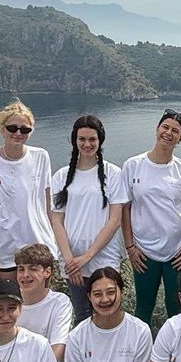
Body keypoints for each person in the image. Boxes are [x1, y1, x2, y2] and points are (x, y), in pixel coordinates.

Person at [121, 109, 181, 329]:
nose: (168, 133)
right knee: (143, 307)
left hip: (178, 251)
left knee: (177, 307)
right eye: (165, 127)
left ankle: (176, 349)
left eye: (175, 131)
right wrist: (130, 247)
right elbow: (125, 208)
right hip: (144, 251)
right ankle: (141, 348)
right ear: (157, 129)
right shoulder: (133, 165)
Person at [50, 115, 128, 323]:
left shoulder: (113, 173)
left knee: (108, 314)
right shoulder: (61, 176)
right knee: (82, 316)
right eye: (82, 139)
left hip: (104, 258)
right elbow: (56, 221)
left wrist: (86, 257)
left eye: (92, 139)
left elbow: (115, 220)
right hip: (72, 262)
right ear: (74, 140)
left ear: (100, 140)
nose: (87, 144)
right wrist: (70, 260)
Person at [0, 100, 59, 279]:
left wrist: (55, 242)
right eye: (12, 128)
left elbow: (47, 202)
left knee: (38, 296)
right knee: (8, 296)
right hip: (4, 250)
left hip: (39, 245)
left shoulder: (41, 157)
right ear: (2, 129)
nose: (18, 133)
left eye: (24, 129)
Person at [14, 243, 74, 362]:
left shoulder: (59, 302)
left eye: (33, 269)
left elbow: (57, 349)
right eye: (21, 269)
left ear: (47, 272)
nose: (25, 275)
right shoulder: (8, 300)